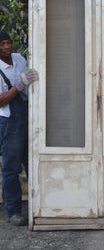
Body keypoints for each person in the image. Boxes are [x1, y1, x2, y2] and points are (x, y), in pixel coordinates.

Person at [0, 30, 38, 226]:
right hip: (10, 121)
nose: (7, 47)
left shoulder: (19, 58)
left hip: (27, 115)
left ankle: (41, 205)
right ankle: (14, 211)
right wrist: (17, 86)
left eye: (9, 42)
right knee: (11, 167)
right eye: (2, 44)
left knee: (33, 161)